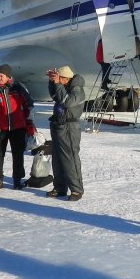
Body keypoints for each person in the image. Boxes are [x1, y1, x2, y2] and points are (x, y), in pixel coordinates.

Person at [46, 65, 86, 201]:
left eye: (59, 78)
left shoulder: (77, 89)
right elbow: (54, 95)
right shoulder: (64, 87)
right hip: (58, 125)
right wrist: (52, 82)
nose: (57, 80)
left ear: (66, 79)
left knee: (70, 158)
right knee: (57, 158)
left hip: (69, 127)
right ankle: (60, 187)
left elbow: (66, 102)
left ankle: (76, 189)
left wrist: (57, 84)